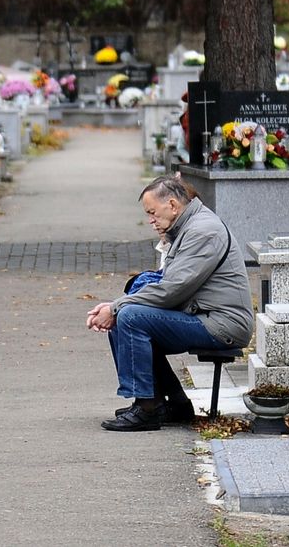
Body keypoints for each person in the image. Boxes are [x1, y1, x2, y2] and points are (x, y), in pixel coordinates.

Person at [86, 175, 253, 432]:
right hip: (204, 316)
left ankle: (147, 408)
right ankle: (175, 403)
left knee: (130, 316)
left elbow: (172, 290)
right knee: (124, 317)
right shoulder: (189, 226)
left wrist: (117, 306)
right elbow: (171, 285)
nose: (150, 220)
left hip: (222, 325)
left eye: (152, 212)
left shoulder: (202, 230)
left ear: (173, 205)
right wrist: (117, 307)